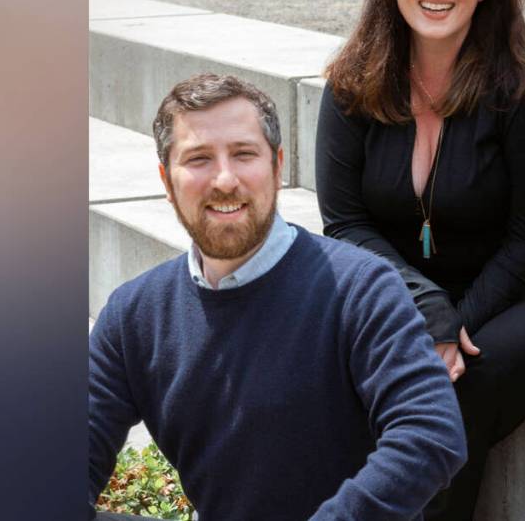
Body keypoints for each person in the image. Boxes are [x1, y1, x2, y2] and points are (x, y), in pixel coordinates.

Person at [88, 74, 467, 521]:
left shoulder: (362, 288)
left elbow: (430, 434)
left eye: (244, 154)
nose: (225, 179)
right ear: (167, 182)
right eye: (199, 159)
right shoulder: (134, 316)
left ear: (278, 167)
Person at [316, 0, 525, 520]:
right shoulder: (352, 83)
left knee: (453, 387)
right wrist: (427, 312)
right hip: (392, 289)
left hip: (507, 295)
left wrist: (456, 326)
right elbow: (344, 223)